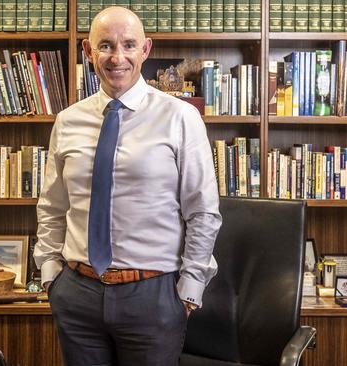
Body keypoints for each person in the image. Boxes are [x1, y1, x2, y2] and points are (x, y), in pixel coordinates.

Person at [34, 6, 221, 366]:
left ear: (145, 50)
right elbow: (52, 207)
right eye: (105, 46)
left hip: (154, 295)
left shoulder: (180, 117)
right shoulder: (68, 121)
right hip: (77, 292)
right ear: (88, 51)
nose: (117, 57)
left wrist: (189, 290)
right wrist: (50, 276)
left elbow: (203, 211)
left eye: (128, 45)